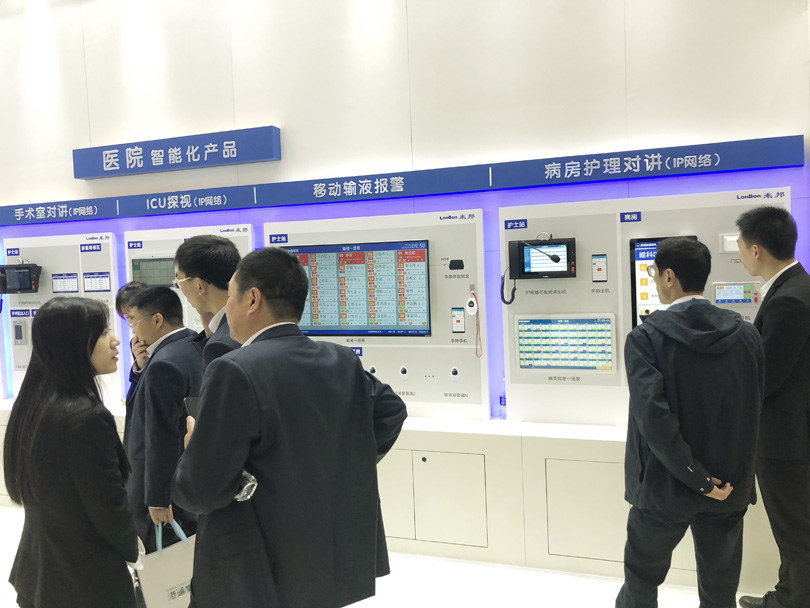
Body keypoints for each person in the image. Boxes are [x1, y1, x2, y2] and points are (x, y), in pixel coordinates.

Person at [172, 247, 408, 608]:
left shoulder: (233, 368)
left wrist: (195, 447)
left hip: (258, 564)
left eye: (231, 296)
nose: (227, 309)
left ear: (252, 299)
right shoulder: (340, 359)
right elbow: (391, 411)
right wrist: (340, 463)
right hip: (329, 553)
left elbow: (199, 491)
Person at [616, 238, 765, 608]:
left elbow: (654, 420)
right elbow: (753, 411)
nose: (655, 281)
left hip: (663, 487)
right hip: (728, 487)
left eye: (654, 273)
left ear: (669, 276)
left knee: (640, 584)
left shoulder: (646, 338)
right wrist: (718, 483)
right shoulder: (747, 335)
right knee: (720, 592)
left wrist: (697, 479)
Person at [3, 297, 139, 608]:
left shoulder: (35, 405)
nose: (116, 340)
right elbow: (108, 508)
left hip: (40, 571)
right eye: (103, 332)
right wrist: (135, 549)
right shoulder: (86, 418)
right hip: (84, 581)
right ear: (74, 344)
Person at [736, 206, 810, 608]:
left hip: (786, 441)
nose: (741, 255)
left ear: (756, 249)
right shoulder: (797, 288)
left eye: (741, 247)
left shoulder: (789, 300)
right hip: (792, 434)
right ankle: (787, 593)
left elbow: (768, 376)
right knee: (794, 526)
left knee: (794, 529)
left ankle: (793, 601)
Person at [124, 286, 202, 552]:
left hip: (161, 491)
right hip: (188, 481)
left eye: (134, 321)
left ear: (157, 319)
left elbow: (161, 435)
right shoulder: (194, 344)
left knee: (161, 562)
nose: (133, 331)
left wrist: (157, 497)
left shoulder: (164, 363)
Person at [173, 234, 241, 370]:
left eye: (179, 282)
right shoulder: (252, 320)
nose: (181, 289)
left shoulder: (221, 345)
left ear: (199, 285)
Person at [115, 281, 149, 448]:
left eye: (133, 317)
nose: (132, 327)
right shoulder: (135, 343)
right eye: (127, 318)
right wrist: (140, 365)